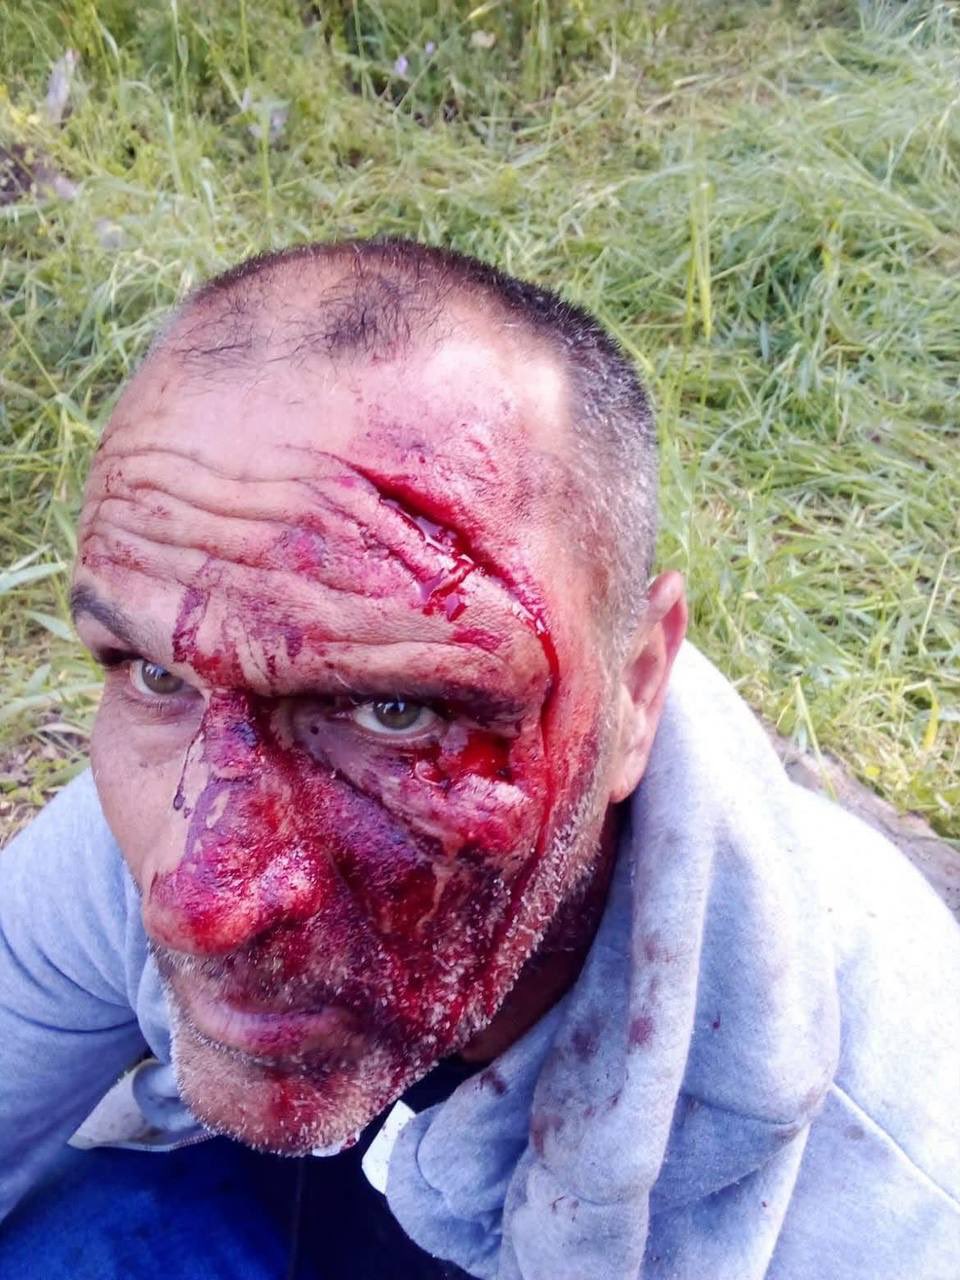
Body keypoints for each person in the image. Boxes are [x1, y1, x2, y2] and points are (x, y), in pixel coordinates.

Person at [0, 240, 957, 1280]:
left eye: (397, 711)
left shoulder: (885, 1188)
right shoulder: (171, 790)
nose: (197, 906)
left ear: (637, 690)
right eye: (149, 672)